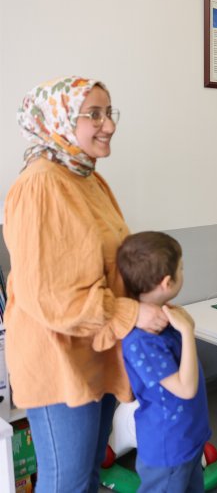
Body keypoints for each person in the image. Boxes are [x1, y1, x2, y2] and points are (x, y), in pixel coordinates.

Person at [3, 76, 167, 491]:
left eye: (109, 112)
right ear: (57, 119)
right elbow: (52, 297)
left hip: (96, 350)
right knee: (68, 483)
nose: (108, 125)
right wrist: (132, 313)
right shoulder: (41, 184)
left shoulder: (87, 177)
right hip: (58, 359)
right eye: (93, 114)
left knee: (90, 472)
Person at [116, 232, 211, 492]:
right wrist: (188, 331)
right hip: (168, 447)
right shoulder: (141, 340)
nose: (183, 272)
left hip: (189, 436)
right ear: (167, 282)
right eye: (181, 268)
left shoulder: (165, 317)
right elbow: (185, 388)